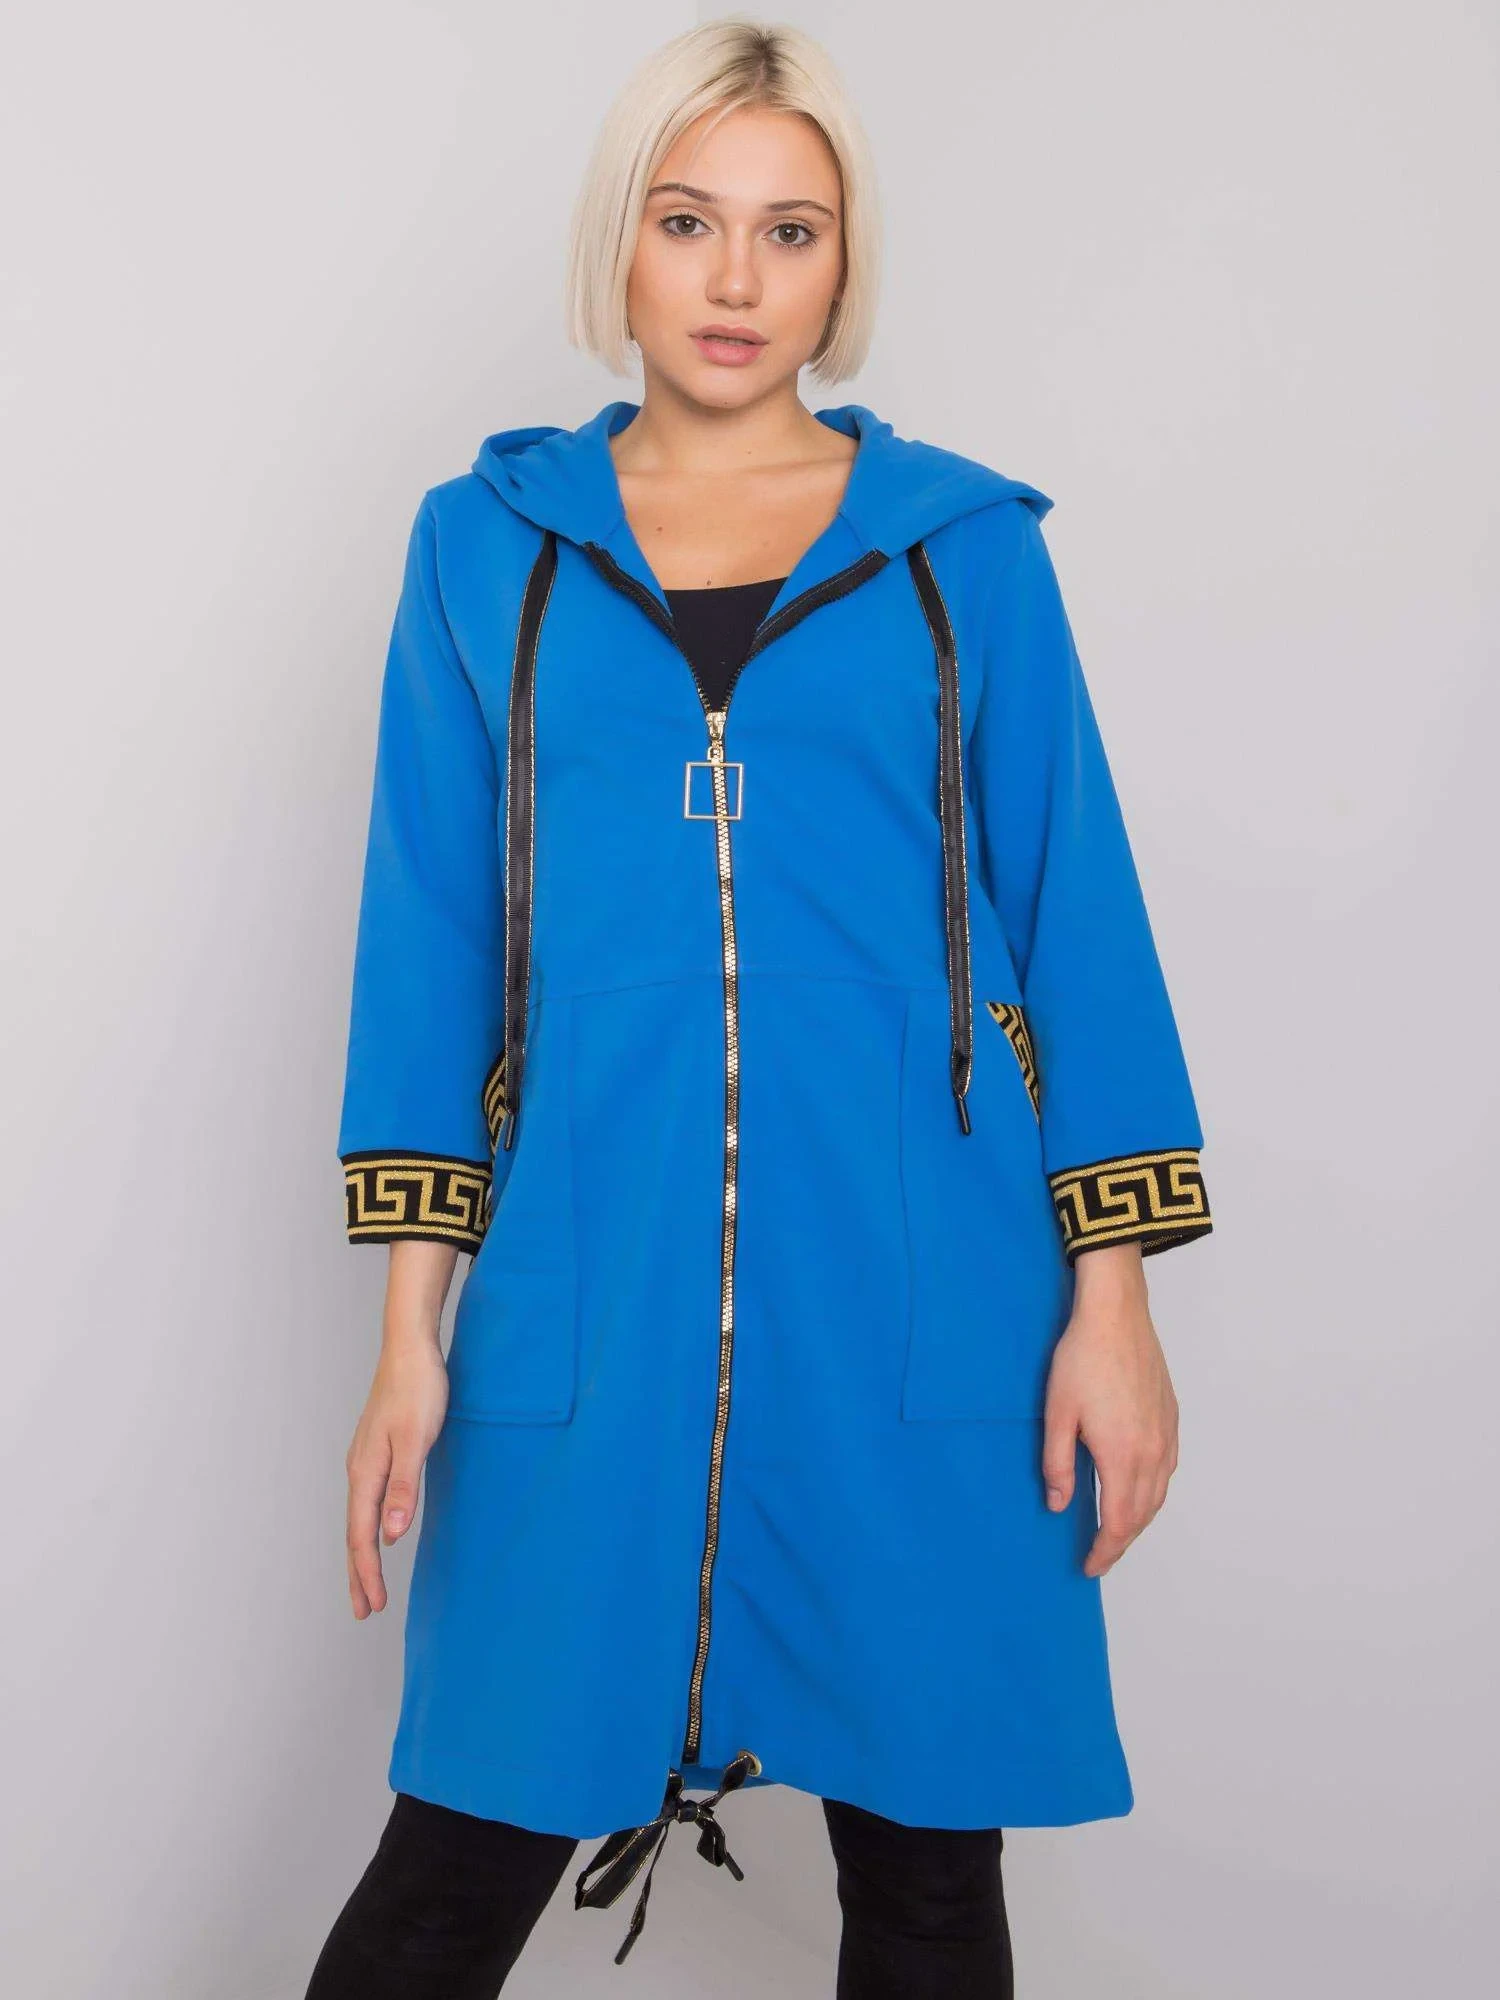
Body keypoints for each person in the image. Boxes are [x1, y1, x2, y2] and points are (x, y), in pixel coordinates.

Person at [306, 17, 1212, 1997]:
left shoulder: (968, 551)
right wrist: (408, 1342)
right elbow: (428, 945)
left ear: (842, 261)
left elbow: (1078, 917)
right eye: (688, 219)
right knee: (451, 1873)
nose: (737, 278)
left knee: (928, 1877)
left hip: (924, 1295)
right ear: (618, 243)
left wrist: (1117, 1305)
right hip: (588, 1285)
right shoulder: (484, 549)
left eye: (791, 231)